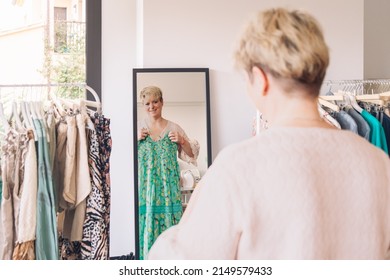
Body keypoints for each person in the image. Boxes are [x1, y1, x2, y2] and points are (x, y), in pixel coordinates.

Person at [147, 8, 390, 259]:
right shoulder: (378, 163)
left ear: (259, 78)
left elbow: (174, 266)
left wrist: (194, 206)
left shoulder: (237, 167)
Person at [137, 85, 199, 259]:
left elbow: (192, 155)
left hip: (169, 192)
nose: (151, 106)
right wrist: (133, 138)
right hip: (146, 191)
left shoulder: (174, 128)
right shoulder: (138, 128)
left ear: (162, 102)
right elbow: (122, 159)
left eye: (155, 101)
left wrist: (182, 140)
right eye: (147, 103)